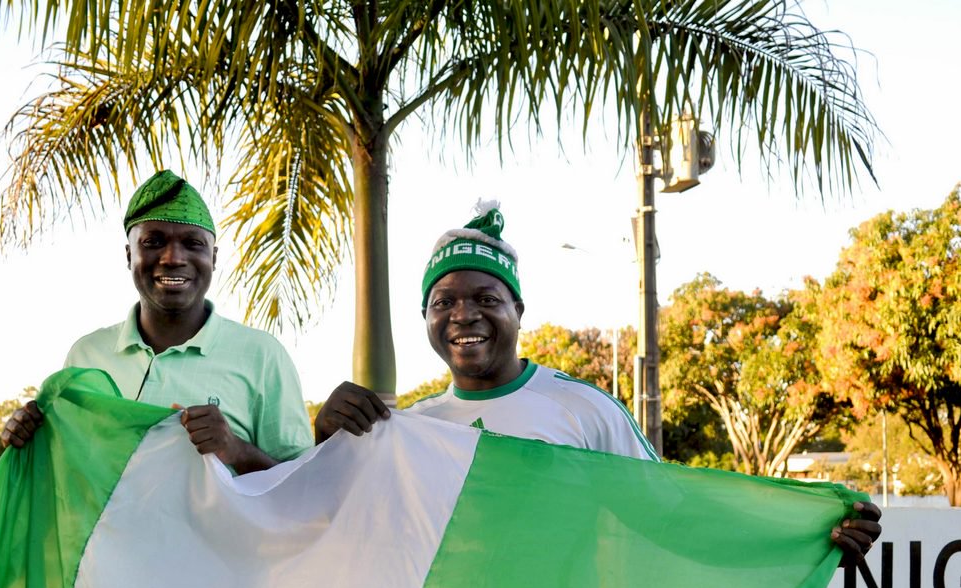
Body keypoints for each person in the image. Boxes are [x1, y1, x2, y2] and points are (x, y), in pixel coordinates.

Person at [315, 202, 881, 559]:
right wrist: (324, 440)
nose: (464, 315)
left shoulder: (582, 409)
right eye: (444, 302)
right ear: (426, 317)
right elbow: (331, 524)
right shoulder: (414, 430)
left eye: (486, 298)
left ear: (518, 311)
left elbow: (673, 517)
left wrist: (808, 531)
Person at [0, 171, 313, 473]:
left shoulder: (261, 355)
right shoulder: (87, 354)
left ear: (214, 258)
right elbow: (67, 472)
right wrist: (26, 438)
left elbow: (302, 486)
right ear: (129, 255)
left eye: (193, 243)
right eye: (153, 242)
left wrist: (238, 451)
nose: (173, 258)